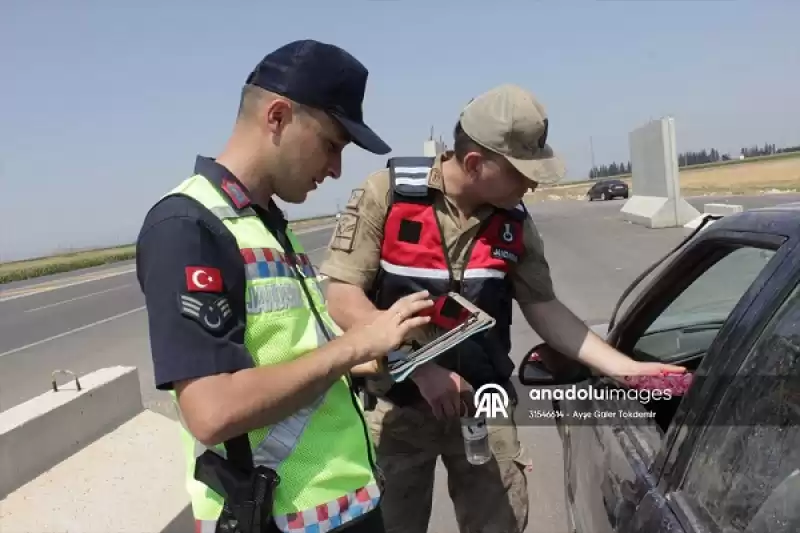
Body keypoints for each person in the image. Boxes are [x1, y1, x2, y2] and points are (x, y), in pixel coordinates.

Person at [319, 83, 686, 533]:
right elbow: (343, 299)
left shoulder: (515, 221)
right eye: (521, 172)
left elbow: (544, 308)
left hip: (483, 410)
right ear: (475, 163)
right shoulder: (388, 196)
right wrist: (420, 368)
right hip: (396, 407)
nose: (532, 183)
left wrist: (626, 369)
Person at [135, 39, 436, 533]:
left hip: (344, 507)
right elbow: (212, 410)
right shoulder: (188, 227)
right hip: (280, 519)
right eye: (332, 144)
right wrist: (355, 343)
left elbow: (287, 356)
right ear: (277, 116)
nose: (337, 168)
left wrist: (384, 346)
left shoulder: (266, 222)